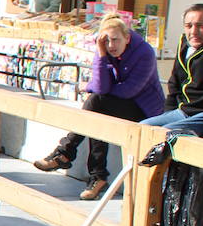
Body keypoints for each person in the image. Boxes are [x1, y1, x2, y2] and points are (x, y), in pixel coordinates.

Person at [33, 14, 162, 200]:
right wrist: (101, 55)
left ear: (127, 37)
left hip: (143, 109)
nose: (111, 45)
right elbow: (102, 88)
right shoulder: (104, 50)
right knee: (97, 108)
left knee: (96, 103)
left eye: (116, 40)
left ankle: (67, 155)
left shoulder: (145, 53)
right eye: (106, 40)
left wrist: (89, 86)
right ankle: (95, 175)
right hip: (112, 104)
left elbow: (128, 91)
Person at [138, 4, 203, 133]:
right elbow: (174, 82)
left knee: (168, 132)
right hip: (183, 111)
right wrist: (168, 112)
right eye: (189, 26)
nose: (194, 31)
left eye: (200, 26)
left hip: (200, 113)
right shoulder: (184, 45)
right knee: (142, 128)